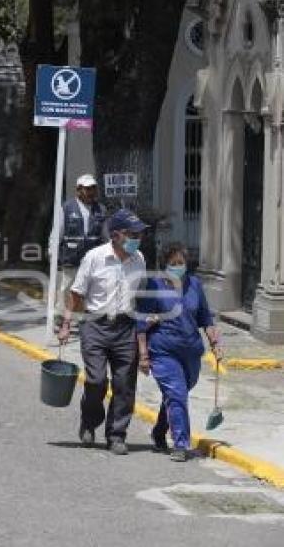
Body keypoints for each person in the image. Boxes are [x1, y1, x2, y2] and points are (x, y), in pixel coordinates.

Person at [58, 208, 148, 455]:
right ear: (117, 235)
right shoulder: (94, 257)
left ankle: (116, 435)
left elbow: (140, 296)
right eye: (133, 234)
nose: (138, 238)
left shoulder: (139, 258)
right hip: (95, 325)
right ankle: (89, 421)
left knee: (124, 384)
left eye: (139, 234)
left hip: (125, 327)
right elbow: (76, 294)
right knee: (96, 380)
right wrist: (66, 324)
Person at [136, 243, 223, 462]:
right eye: (172, 263)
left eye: (180, 263)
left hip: (191, 351)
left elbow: (205, 317)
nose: (177, 267)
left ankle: (159, 431)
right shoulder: (154, 286)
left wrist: (215, 342)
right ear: (164, 265)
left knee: (179, 394)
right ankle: (181, 444)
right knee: (177, 394)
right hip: (163, 351)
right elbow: (140, 323)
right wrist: (144, 356)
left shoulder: (195, 284)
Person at [56, 173, 107, 321]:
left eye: (93, 188)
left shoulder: (101, 209)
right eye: (87, 189)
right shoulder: (66, 208)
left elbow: (105, 234)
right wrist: (53, 253)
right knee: (67, 289)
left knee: (89, 290)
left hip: (93, 259)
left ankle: (84, 320)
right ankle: (61, 318)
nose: (91, 192)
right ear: (78, 190)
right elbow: (57, 232)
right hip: (71, 258)